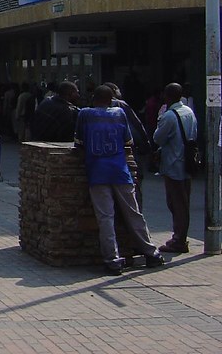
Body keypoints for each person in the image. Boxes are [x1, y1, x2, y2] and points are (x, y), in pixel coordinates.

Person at [74, 84, 164, 275]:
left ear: (93, 99)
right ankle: (151, 253)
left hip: (97, 172)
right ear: (110, 99)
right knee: (133, 213)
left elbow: (79, 143)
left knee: (106, 217)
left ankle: (112, 260)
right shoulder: (119, 113)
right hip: (120, 171)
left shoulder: (84, 114)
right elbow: (128, 142)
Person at [153, 82, 198, 254]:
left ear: (167, 96)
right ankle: (179, 237)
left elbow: (158, 138)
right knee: (183, 202)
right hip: (187, 163)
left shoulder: (169, 116)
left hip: (173, 164)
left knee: (176, 203)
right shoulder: (189, 112)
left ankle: (179, 240)